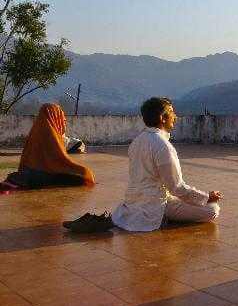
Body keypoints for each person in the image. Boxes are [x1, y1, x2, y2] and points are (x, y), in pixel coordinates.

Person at [111, 97, 222, 232]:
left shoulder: (137, 141)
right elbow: (176, 187)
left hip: (134, 202)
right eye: (171, 112)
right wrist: (207, 197)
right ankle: (164, 216)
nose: (175, 117)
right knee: (212, 210)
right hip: (156, 205)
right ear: (162, 118)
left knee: (193, 201)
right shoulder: (163, 146)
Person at [1, 103, 95, 190]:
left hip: (27, 171)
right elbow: (59, 161)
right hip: (42, 175)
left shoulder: (35, 130)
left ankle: (19, 179)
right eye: (61, 117)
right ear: (55, 117)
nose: (63, 121)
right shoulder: (51, 134)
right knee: (84, 174)